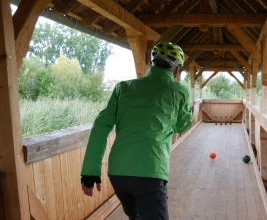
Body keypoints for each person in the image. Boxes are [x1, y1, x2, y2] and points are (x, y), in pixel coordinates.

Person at [80, 41, 192, 220]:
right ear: (177, 69)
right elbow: (182, 125)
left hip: (118, 173)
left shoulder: (123, 88)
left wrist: (90, 170)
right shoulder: (178, 91)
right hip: (150, 171)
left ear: (151, 63)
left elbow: (101, 126)